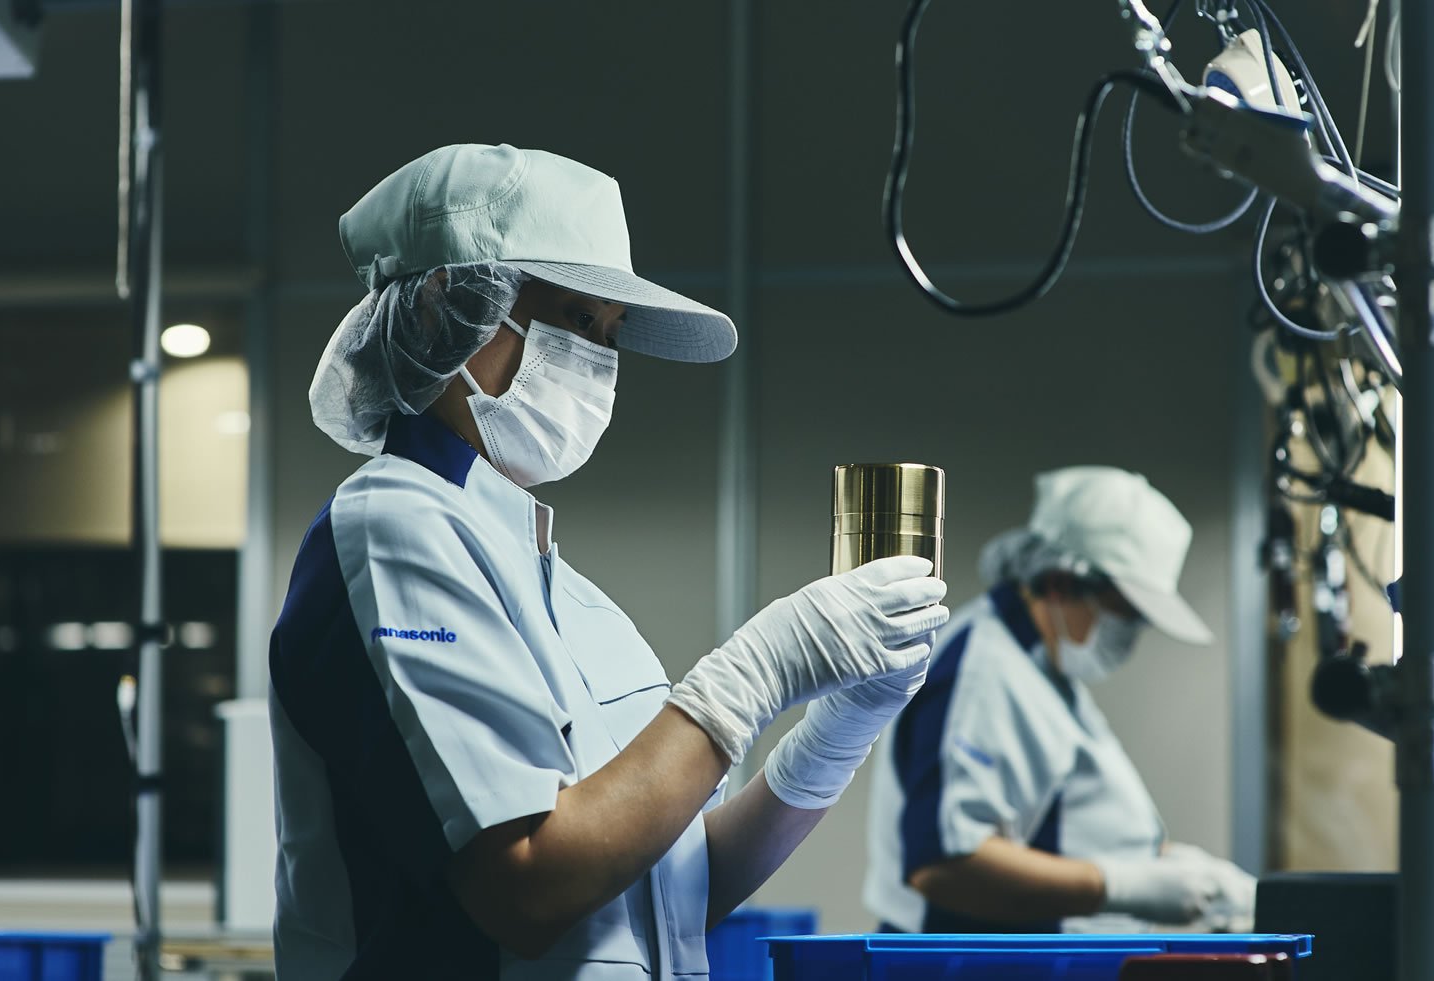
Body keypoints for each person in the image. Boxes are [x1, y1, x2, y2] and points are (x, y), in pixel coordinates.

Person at [269, 143, 950, 980]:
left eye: (611, 333)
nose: (597, 360)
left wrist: (837, 730)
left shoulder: (572, 599)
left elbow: (665, 890)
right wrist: (759, 670)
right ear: (441, 309)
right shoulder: (393, 527)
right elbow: (529, 889)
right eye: (573, 320)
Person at [863, 466, 1255, 935]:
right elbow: (944, 863)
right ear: (1058, 583)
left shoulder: (1041, 672)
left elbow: (1061, 822)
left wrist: (1179, 869)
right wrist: (1122, 886)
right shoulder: (984, 674)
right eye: (1124, 611)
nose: (1130, 633)